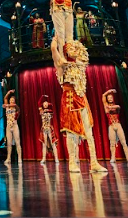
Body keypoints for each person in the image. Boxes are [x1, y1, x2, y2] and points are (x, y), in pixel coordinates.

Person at [51, 38, 107, 173]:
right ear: (66, 52)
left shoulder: (80, 65)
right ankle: (72, 162)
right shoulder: (62, 67)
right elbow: (55, 54)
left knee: (89, 133)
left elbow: (83, 54)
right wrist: (54, 44)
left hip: (82, 99)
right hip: (70, 100)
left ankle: (94, 162)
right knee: (71, 133)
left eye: (75, 48)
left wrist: (75, 45)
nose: (74, 50)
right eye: (71, 49)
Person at [102, 89, 128, 163]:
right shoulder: (106, 106)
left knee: (123, 142)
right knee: (112, 143)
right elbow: (103, 95)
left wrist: (111, 108)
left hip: (118, 124)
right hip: (111, 125)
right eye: (108, 98)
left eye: (111, 97)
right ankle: (113, 157)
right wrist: (110, 91)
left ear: (113, 98)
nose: (110, 99)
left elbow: (118, 107)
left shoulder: (116, 106)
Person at [38, 95, 59, 164]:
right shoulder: (41, 111)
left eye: (46, 104)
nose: (45, 104)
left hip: (50, 128)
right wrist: (42, 96)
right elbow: (39, 103)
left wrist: (48, 103)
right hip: (44, 129)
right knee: (44, 144)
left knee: (53, 144)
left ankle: (56, 158)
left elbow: (52, 106)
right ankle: (43, 159)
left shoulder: (50, 111)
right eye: (44, 104)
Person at [2, 90, 22, 165]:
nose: (11, 101)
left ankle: (19, 157)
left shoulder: (15, 108)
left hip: (15, 126)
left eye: (13, 100)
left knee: (17, 142)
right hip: (8, 126)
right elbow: (5, 98)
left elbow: (17, 107)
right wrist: (9, 92)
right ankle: (8, 158)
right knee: (9, 143)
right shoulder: (7, 107)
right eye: (10, 100)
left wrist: (7, 105)